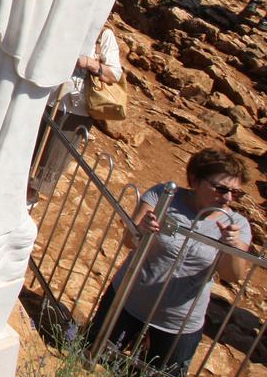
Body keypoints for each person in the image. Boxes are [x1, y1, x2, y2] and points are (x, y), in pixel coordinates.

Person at [86, 148, 251, 376]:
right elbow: (129, 240)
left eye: (236, 193)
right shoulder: (164, 196)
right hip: (128, 302)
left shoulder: (237, 224)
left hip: (179, 323)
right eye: (221, 189)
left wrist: (231, 247)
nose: (228, 198)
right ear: (195, 179)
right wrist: (142, 230)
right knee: (90, 358)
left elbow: (232, 275)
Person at [29, 25, 122, 202]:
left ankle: (28, 199)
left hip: (75, 112)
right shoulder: (68, 21)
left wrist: (88, 63)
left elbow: (114, 74)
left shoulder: (104, 34)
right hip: (43, 99)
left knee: (50, 160)